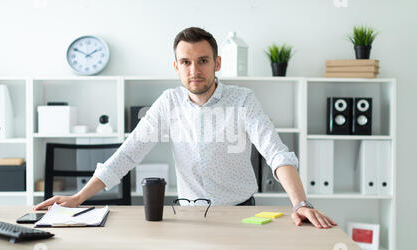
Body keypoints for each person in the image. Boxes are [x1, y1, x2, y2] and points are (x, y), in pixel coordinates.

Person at [35, 27, 337, 229]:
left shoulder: (243, 99)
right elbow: (128, 155)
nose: (195, 70)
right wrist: (78, 198)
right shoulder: (169, 102)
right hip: (190, 215)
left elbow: (276, 153)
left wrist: (301, 203)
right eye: (186, 62)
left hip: (241, 212)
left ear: (217, 63)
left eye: (203, 60)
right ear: (176, 66)